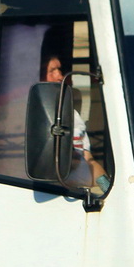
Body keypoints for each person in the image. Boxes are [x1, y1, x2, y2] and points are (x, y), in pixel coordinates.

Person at [42, 54, 109, 189]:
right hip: (61, 196)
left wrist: (105, 186)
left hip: (89, 193)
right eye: (52, 71)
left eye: (60, 71)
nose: (60, 77)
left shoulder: (73, 115)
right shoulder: (37, 116)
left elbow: (88, 159)